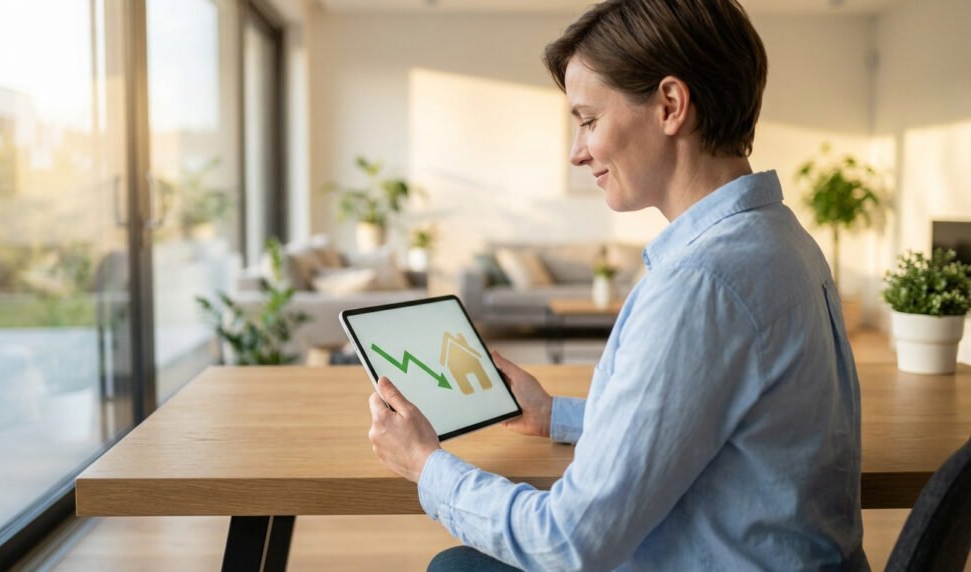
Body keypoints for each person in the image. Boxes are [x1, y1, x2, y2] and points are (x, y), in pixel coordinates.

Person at [366, 0, 868, 569]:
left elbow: (567, 543)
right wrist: (555, 414)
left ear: (670, 106)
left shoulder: (701, 286)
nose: (578, 152)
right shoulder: (778, 237)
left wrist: (425, 464)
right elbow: (707, 420)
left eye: (588, 120)